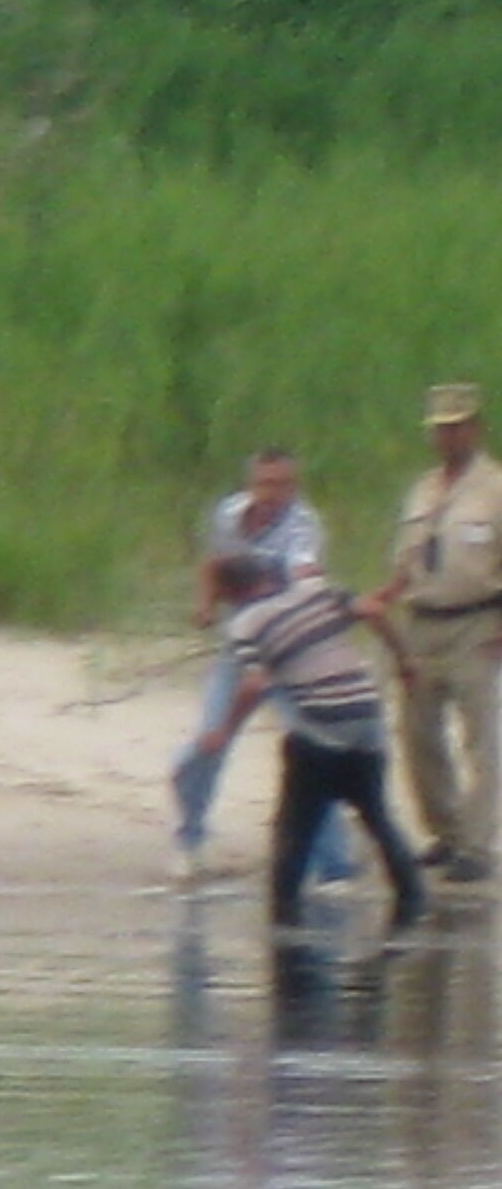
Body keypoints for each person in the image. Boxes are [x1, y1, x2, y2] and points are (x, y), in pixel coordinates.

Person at [202, 553, 426, 932]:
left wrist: (225, 729)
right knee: (377, 814)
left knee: (296, 827)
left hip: (321, 728)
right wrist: (404, 661)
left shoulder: (246, 624)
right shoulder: (318, 593)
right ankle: (413, 902)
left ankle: (283, 919)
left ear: (229, 592)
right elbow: (373, 611)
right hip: (366, 716)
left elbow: (255, 683)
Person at [170, 448, 355, 886]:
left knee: (311, 750)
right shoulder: (231, 514)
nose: (274, 494)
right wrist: (205, 605)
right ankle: (191, 840)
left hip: (290, 654)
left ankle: (332, 866)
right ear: (251, 485)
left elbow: (307, 572)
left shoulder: (302, 526)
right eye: (265, 484)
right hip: (240, 649)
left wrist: (317, 597)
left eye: (283, 485)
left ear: (295, 487)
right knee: (209, 742)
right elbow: (215, 564)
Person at [370, 382, 502, 884]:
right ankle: (444, 833)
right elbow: (408, 558)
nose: (449, 436)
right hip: (421, 622)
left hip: (476, 622)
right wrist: (386, 594)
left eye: (458, 426)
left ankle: (477, 843)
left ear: (476, 427)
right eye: (441, 429)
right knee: (418, 733)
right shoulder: (423, 489)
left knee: (480, 739)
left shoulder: (495, 489)